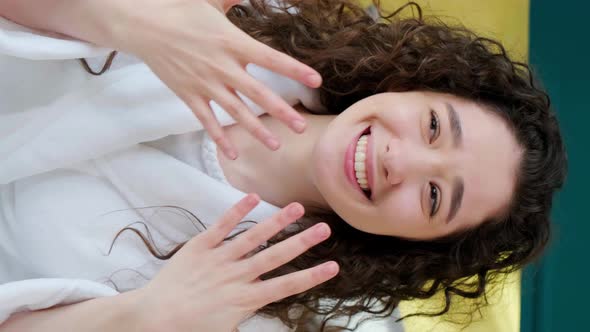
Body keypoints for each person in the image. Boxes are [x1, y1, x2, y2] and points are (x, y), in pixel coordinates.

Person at [0, 0, 567, 331]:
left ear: (411, 244)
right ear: (412, 84)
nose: (403, 161)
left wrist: (145, 318)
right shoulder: (262, 15)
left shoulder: (267, 311)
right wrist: (132, 20)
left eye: (435, 197)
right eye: (435, 127)